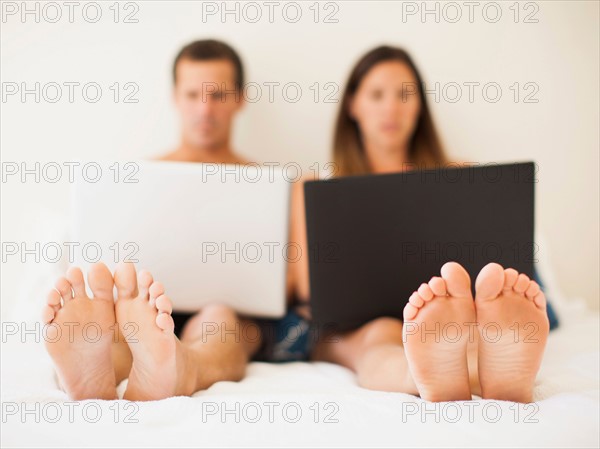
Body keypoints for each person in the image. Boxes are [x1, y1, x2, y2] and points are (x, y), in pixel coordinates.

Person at [287, 46, 552, 403]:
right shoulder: (314, 185)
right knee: (377, 338)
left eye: (404, 95)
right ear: (353, 105)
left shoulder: (462, 177)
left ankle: (491, 367)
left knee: (462, 329)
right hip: (354, 325)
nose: (391, 108)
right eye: (377, 95)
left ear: (419, 107)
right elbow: (305, 285)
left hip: (449, 312)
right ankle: (429, 371)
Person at [42, 39, 296, 401]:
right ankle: (94, 365)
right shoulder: (137, 178)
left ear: (240, 99)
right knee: (128, 323)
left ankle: (180, 366)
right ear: (176, 97)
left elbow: (289, 283)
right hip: (144, 304)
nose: (205, 109)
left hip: (234, 314)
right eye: (193, 95)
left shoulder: (269, 186)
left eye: (218, 95)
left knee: (220, 319)